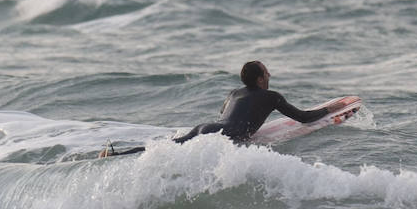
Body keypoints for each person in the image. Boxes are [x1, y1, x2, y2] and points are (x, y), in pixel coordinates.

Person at [99, 61, 330, 157]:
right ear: (260, 79)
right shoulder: (271, 96)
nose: (270, 75)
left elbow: (224, 114)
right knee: (169, 150)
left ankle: (115, 154)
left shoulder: (233, 93)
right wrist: (332, 109)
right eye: (266, 72)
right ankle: (114, 155)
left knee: (167, 148)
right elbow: (303, 118)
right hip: (223, 135)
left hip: (206, 128)